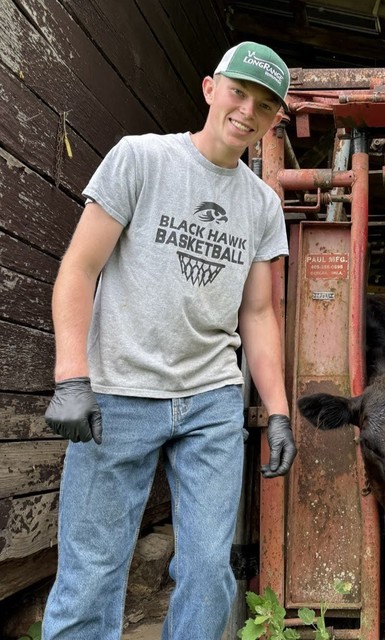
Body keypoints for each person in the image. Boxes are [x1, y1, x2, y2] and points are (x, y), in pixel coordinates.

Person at [41, 41, 297, 639]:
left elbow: (258, 313)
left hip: (210, 402)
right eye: (239, 92)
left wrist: (279, 411)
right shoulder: (141, 159)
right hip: (120, 393)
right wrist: (71, 376)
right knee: (92, 572)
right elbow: (79, 268)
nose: (247, 111)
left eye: (264, 105)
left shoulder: (261, 203)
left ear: (275, 119)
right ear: (210, 88)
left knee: (209, 571)